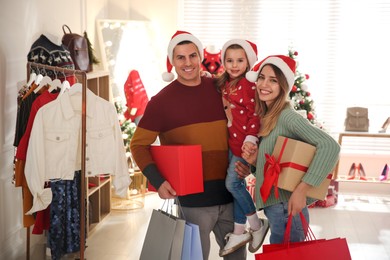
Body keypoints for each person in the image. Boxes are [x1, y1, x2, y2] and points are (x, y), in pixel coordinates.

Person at [130, 31, 247, 260]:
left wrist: (247, 164)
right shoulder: (161, 102)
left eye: (192, 56)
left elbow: (244, 130)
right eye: (180, 57)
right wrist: (158, 180)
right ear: (172, 62)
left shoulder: (221, 90)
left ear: (201, 56)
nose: (187, 63)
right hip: (193, 203)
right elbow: (138, 145)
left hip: (231, 197)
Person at [242, 55, 340, 244]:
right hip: (278, 208)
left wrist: (302, 189)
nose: (264, 84)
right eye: (261, 77)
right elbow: (279, 161)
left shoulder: (287, 116)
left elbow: (330, 146)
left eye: (273, 80)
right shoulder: (269, 117)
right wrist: (255, 161)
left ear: (283, 87)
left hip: (286, 208)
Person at [216, 39, 269, 256]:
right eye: (229, 60)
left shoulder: (249, 85)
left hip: (244, 145)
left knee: (232, 184)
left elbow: (255, 113)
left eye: (240, 60)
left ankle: (256, 225)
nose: (234, 65)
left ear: (248, 62)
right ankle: (239, 230)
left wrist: (251, 138)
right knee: (236, 184)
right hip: (231, 142)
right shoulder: (226, 83)